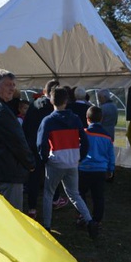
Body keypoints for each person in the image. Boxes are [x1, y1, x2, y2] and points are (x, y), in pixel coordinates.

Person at [37, 86, 99, 239]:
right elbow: (84, 142)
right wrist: (79, 157)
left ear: (51, 100)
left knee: (49, 194)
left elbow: (41, 144)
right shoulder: (76, 119)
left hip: (55, 163)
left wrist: (44, 159)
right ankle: (90, 220)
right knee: (74, 193)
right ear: (67, 101)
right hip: (72, 162)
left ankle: (47, 226)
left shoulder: (48, 121)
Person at [0, 69, 35, 210]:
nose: (12, 88)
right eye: (8, 85)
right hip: (7, 173)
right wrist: (30, 163)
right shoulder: (1, 110)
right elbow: (17, 142)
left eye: (14, 85)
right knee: (13, 218)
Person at [22, 79, 61, 217]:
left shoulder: (33, 105)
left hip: (33, 145)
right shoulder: (54, 108)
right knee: (52, 176)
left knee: (34, 177)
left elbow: (25, 126)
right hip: (49, 146)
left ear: (44, 91)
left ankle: (32, 208)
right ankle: (54, 201)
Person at [78, 105, 115, 226]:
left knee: (80, 194)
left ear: (87, 119)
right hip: (100, 170)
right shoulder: (107, 136)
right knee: (98, 196)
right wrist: (110, 169)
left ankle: (83, 215)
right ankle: (97, 220)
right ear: (101, 119)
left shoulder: (83, 134)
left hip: (83, 169)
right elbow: (111, 155)